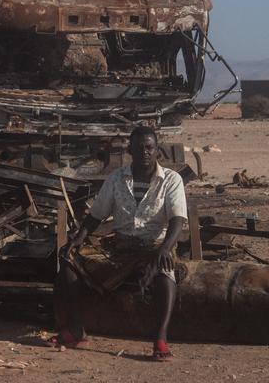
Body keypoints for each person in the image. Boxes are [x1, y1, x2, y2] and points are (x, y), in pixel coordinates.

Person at [51, 126, 187, 361]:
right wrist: (78, 237)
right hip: (120, 246)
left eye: (149, 147)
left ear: (157, 151)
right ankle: (75, 330)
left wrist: (165, 248)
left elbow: (177, 220)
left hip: (155, 245)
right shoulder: (116, 178)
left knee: (165, 271)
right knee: (69, 261)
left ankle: (160, 339)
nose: (145, 152)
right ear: (130, 150)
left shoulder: (171, 180)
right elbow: (97, 215)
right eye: (139, 147)